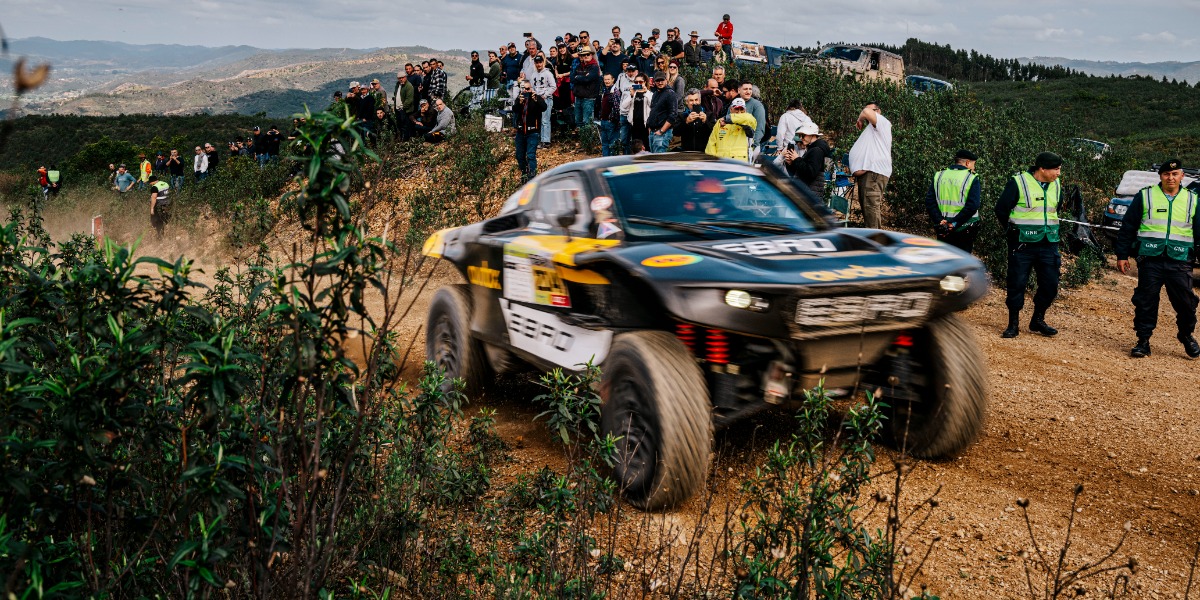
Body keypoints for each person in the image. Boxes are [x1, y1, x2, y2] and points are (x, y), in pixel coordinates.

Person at [1115, 159, 1200, 359]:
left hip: (1179, 259)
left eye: (1175, 174)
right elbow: (1128, 227)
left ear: (1182, 176)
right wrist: (1122, 254)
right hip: (1150, 258)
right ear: (1160, 176)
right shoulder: (1145, 196)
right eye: (1166, 174)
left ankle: (1186, 335)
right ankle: (1143, 341)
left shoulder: (1193, 199)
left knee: (1187, 303)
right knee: (1146, 301)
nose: (1171, 178)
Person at [995, 151, 1065, 339]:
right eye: (1056, 169)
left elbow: (1055, 209)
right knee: (1017, 283)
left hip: (1049, 243)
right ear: (1042, 168)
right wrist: (1012, 232)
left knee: (1050, 285)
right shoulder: (1018, 182)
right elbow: (1001, 209)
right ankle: (1013, 324)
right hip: (1022, 244)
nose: (1059, 173)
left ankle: (1038, 320)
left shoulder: (1056, 185)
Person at [924, 149, 982, 253]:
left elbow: (930, 201)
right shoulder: (971, 178)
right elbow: (973, 205)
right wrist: (953, 223)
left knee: (944, 260)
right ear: (968, 162)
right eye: (974, 164)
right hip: (964, 227)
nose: (974, 167)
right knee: (961, 264)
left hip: (943, 228)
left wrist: (939, 220)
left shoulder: (939, 175)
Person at [848, 102, 892, 229]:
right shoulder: (873, 129)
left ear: (879, 111)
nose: (866, 113)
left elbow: (867, 112)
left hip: (873, 175)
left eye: (872, 110)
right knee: (869, 212)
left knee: (871, 211)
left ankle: (876, 242)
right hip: (869, 175)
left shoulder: (882, 123)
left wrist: (860, 118)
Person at [512, 81, 547, 182]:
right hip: (521, 131)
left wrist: (536, 100)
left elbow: (544, 107)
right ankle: (524, 174)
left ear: (531, 88)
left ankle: (532, 178)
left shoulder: (536, 98)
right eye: (523, 88)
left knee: (531, 155)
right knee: (519, 155)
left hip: (533, 132)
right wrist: (519, 103)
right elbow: (514, 110)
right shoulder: (519, 98)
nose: (525, 91)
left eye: (528, 89)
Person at [782, 123, 830, 195]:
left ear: (812, 135)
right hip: (807, 192)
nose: (801, 138)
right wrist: (791, 163)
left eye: (803, 135)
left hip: (810, 194)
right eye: (800, 135)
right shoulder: (812, 149)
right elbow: (802, 172)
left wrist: (797, 159)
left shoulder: (816, 150)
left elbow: (811, 172)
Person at [572, 47, 601, 137]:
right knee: (578, 121)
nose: (586, 56)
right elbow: (572, 78)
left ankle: (588, 142)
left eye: (588, 54)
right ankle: (582, 141)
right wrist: (582, 77)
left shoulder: (595, 67)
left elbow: (588, 79)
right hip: (578, 97)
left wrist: (579, 77)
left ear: (591, 55)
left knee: (587, 121)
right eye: (584, 54)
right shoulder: (578, 66)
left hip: (589, 98)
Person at [529, 55, 558, 147]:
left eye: (540, 62)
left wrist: (545, 95)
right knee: (538, 119)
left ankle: (546, 141)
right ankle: (539, 139)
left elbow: (553, 86)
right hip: (537, 99)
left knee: (545, 119)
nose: (539, 64)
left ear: (543, 62)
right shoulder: (533, 74)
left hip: (546, 99)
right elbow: (532, 87)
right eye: (537, 63)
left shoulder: (548, 73)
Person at [621, 73, 653, 153]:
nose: (638, 84)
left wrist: (646, 92)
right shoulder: (633, 94)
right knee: (635, 147)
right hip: (634, 124)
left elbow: (652, 105)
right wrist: (631, 96)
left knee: (646, 146)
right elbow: (623, 107)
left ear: (645, 82)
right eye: (636, 82)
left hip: (645, 125)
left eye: (640, 82)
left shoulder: (649, 94)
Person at [646, 71, 677, 153]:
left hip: (662, 133)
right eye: (657, 81)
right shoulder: (655, 94)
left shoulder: (670, 94)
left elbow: (673, 115)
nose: (660, 82)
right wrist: (650, 127)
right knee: (653, 161)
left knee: (659, 162)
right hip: (653, 132)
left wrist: (662, 131)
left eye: (662, 80)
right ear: (654, 82)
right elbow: (653, 111)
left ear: (666, 80)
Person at [598, 73, 623, 156]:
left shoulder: (615, 92)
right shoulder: (604, 90)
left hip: (611, 122)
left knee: (612, 144)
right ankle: (605, 161)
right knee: (604, 144)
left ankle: (612, 162)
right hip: (603, 121)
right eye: (605, 79)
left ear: (613, 80)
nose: (607, 81)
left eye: (608, 79)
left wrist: (613, 119)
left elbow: (617, 108)